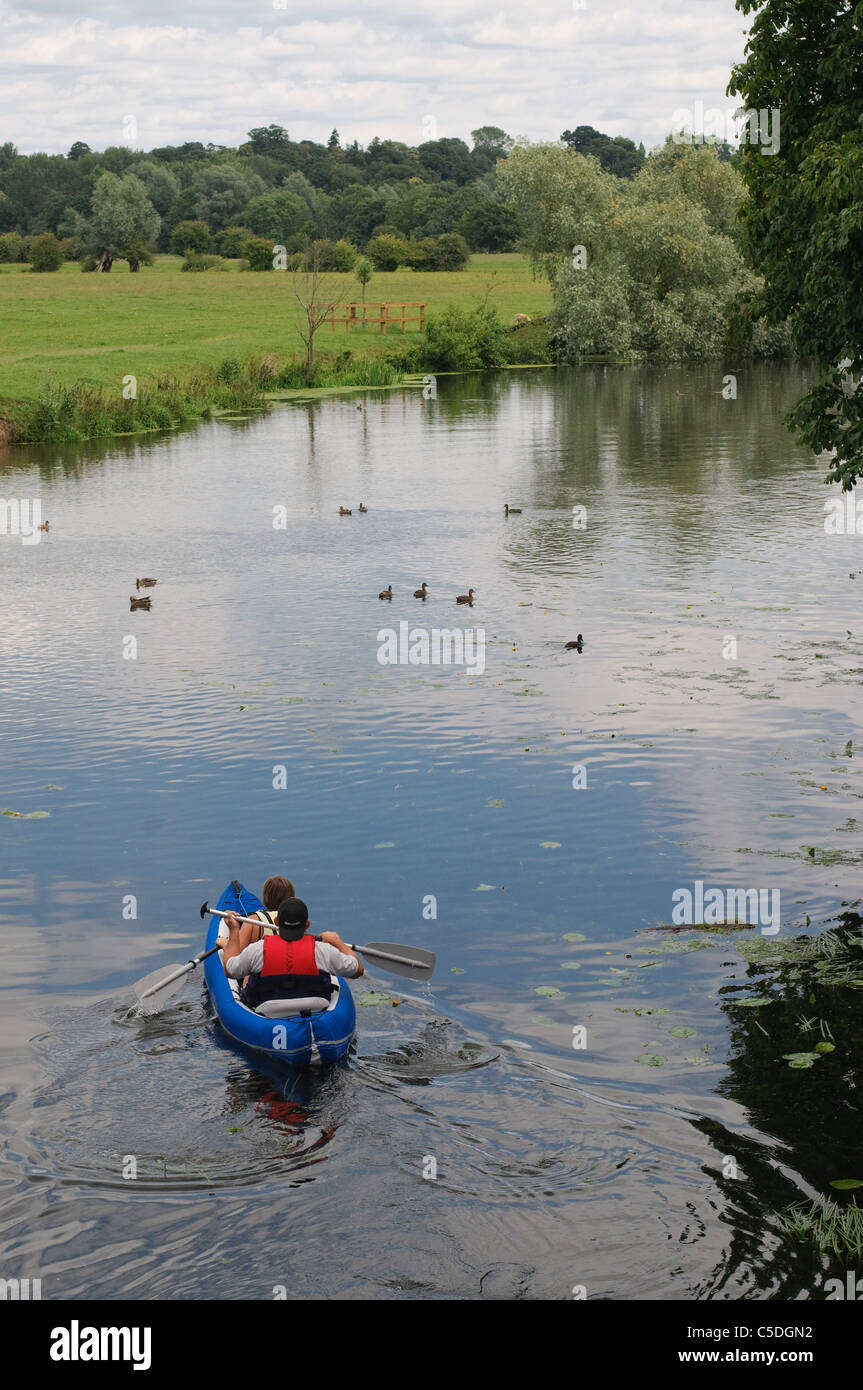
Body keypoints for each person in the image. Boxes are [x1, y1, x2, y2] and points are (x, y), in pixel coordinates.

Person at [221, 896, 363, 1012]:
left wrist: (233, 930)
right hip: (316, 1010)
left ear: (276, 922)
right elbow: (357, 970)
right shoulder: (322, 950)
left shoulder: (258, 949)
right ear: (307, 924)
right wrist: (338, 942)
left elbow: (230, 970)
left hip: (268, 1012)